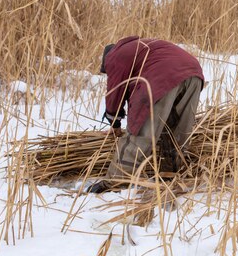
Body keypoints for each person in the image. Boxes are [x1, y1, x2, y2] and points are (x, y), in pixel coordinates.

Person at [87, 36, 204, 193]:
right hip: (193, 73)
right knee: (176, 130)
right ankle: (171, 176)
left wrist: (114, 124)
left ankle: (116, 182)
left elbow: (114, 94)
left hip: (162, 74)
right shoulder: (141, 47)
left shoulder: (114, 56)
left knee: (139, 132)